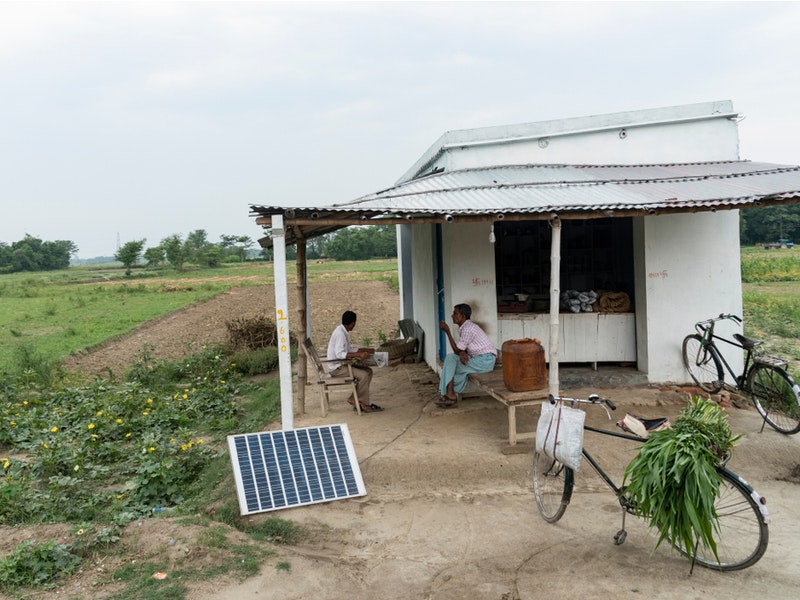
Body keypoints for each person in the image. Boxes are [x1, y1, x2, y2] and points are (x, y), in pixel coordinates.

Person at [436, 303, 497, 408]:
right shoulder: (466, 327)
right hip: (481, 359)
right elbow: (461, 350)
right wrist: (462, 352)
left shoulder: (468, 329)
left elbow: (457, 350)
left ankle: (450, 395)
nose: (452, 316)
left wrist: (447, 332)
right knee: (451, 361)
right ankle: (450, 394)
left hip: (485, 361)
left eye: (455, 313)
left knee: (451, 361)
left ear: (463, 316)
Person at [327, 310, 383, 413]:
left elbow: (349, 349)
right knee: (364, 375)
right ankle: (363, 403)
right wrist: (359, 355)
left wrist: (364, 350)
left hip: (341, 365)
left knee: (368, 371)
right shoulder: (340, 334)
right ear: (352, 323)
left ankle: (355, 398)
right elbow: (340, 354)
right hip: (336, 368)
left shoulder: (343, 331)